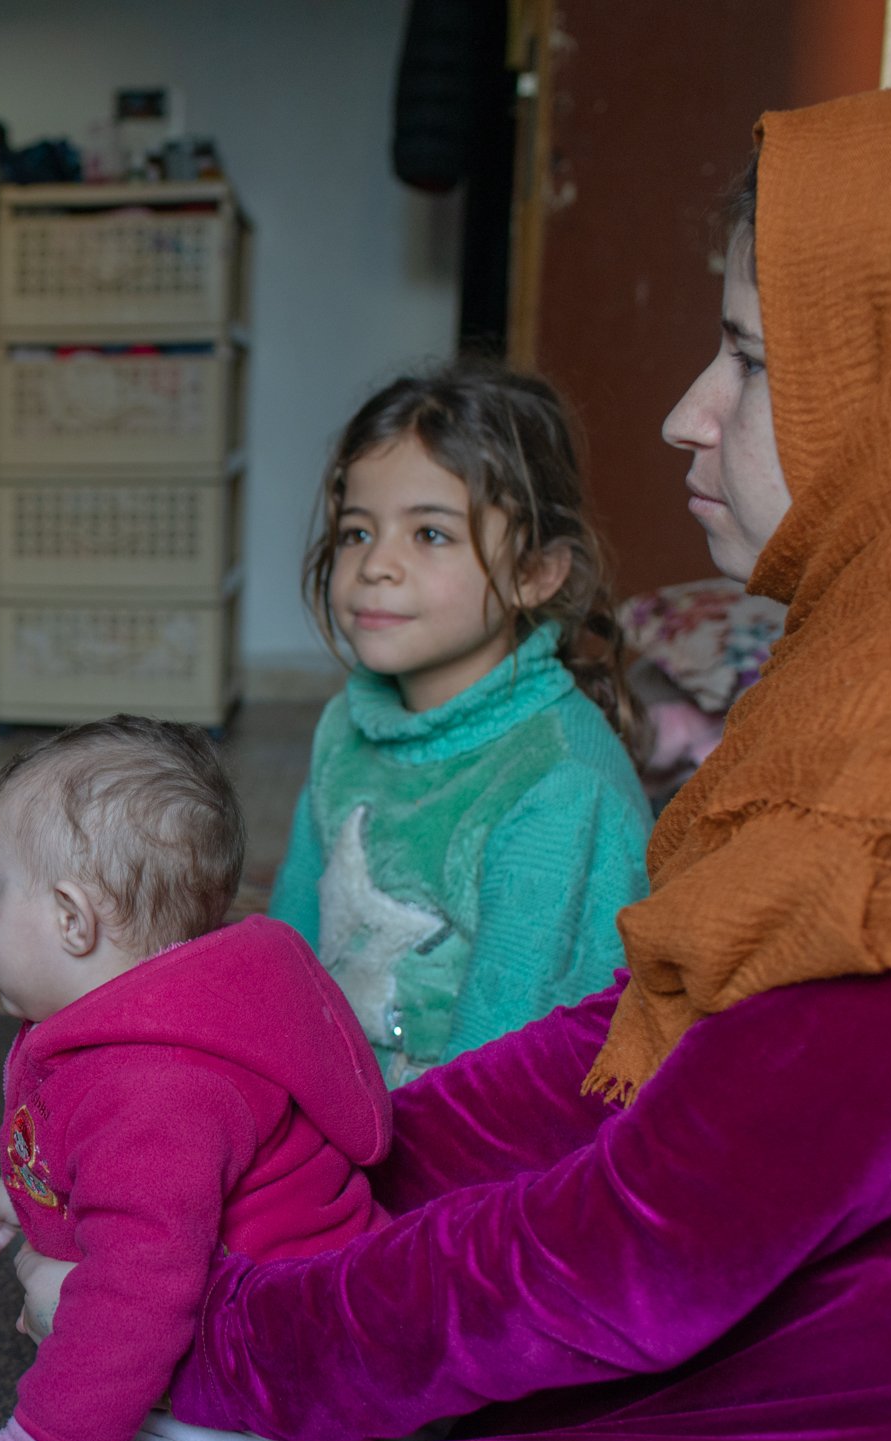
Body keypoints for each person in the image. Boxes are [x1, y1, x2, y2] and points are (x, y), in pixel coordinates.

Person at [0, 81, 891, 1441]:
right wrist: (234, 1179)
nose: (686, 409)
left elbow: (640, 1246)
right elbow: (626, 1044)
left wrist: (196, 1326)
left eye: (746, 357)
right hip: (730, 1324)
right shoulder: (868, 682)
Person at [0, 716, 391, 1441]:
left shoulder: (156, 1087)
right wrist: (30, 1200)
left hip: (282, 1382)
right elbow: (124, 1181)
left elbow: (140, 1291)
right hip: (250, 1319)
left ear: (72, 921)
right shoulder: (133, 1024)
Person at [269, 363, 650, 1086]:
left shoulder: (560, 784)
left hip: (463, 1154)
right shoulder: (341, 728)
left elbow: (506, 1077)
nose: (376, 564)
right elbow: (284, 955)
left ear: (535, 573)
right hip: (328, 1113)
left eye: (430, 535)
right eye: (356, 531)